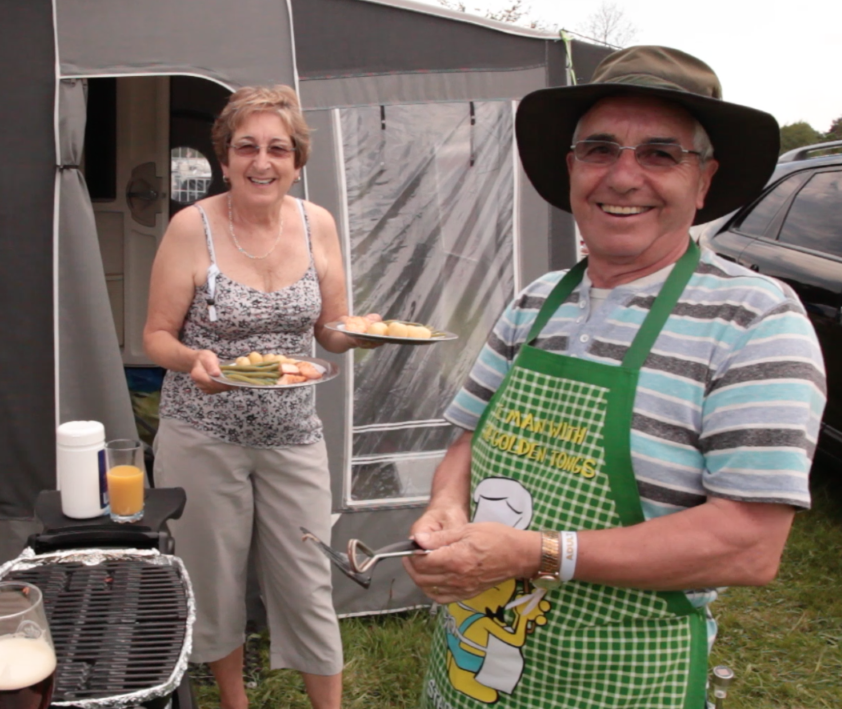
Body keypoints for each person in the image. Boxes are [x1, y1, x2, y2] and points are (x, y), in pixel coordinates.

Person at [404, 46, 826, 709]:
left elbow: (747, 544)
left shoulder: (756, 321)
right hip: (474, 675)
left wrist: (535, 551)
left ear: (705, 180)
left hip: (621, 683)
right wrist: (444, 509)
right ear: (572, 169)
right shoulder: (533, 302)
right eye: (600, 150)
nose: (623, 176)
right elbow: (465, 441)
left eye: (659, 154)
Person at [143, 85, 374, 709]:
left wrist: (357, 336)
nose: (261, 162)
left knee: (306, 579)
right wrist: (194, 361)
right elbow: (155, 336)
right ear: (224, 159)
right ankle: (234, 701)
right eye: (246, 147)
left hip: (293, 433)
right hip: (202, 434)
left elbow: (329, 328)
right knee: (215, 579)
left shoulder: (317, 223)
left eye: (278, 149)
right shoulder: (192, 228)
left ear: (296, 162)